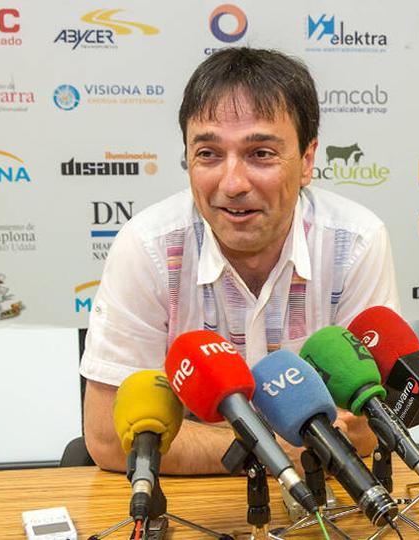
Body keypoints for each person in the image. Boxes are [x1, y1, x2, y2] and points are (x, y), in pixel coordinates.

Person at [80, 48, 398, 474]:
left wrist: (213, 443)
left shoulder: (355, 243)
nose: (232, 184)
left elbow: (369, 424)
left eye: (261, 153)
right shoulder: (147, 247)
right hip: (193, 505)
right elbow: (107, 437)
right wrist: (284, 448)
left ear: (306, 160)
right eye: (209, 154)